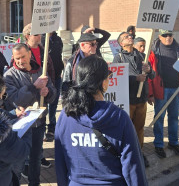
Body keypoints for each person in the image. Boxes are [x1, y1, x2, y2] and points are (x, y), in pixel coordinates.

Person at [55, 55, 148, 185]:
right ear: (103, 82)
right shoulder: (119, 117)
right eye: (108, 76)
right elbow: (132, 164)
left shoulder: (66, 115)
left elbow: (60, 160)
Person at [3, 43, 56, 186]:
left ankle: (35, 183)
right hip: (20, 125)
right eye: (17, 58)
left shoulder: (41, 72)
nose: (20, 61)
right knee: (18, 162)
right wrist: (34, 87)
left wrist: (48, 93)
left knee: (36, 159)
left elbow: (53, 94)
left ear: (30, 55)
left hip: (38, 123)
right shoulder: (9, 76)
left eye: (23, 57)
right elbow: (15, 99)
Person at [113, 31, 155, 167]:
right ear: (121, 43)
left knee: (139, 128)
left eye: (130, 36)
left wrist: (149, 70)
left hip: (141, 100)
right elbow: (116, 79)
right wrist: (135, 79)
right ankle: (126, 153)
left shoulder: (142, 55)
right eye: (126, 37)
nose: (130, 37)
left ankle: (139, 152)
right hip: (128, 101)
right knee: (126, 129)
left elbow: (153, 75)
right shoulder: (118, 58)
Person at [148, 29, 179, 158]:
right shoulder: (154, 50)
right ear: (159, 36)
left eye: (170, 35)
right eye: (165, 35)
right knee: (159, 118)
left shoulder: (177, 48)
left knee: (174, 117)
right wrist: (150, 93)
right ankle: (158, 144)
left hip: (176, 89)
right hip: (161, 89)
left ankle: (173, 142)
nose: (168, 37)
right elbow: (149, 74)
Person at [43, 31, 64, 142]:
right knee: (44, 102)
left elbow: (59, 55)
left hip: (56, 76)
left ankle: (52, 126)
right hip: (45, 77)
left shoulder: (57, 39)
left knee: (54, 103)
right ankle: (43, 128)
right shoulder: (42, 39)